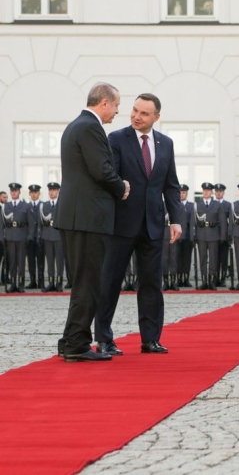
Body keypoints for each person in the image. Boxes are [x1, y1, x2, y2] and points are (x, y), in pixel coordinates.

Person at [95, 93, 182, 356]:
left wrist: (176, 219)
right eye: (134, 110)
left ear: (156, 117)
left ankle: (150, 339)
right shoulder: (117, 139)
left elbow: (171, 185)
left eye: (144, 113)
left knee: (151, 283)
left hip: (154, 225)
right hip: (121, 224)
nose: (136, 116)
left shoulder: (165, 144)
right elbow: (111, 178)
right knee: (110, 282)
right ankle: (104, 339)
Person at [56, 82, 129, 362]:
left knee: (82, 282)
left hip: (77, 216)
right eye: (117, 106)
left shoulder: (76, 125)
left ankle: (70, 340)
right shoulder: (90, 127)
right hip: (87, 218)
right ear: (104, 103)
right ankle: (77, 345)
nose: (117, 112)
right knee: (89, 282)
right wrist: (121, 186)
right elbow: (101, 169)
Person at [194, 182, 227, 290]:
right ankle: (204, 280)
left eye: (208, 190)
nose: (206, 192)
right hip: (201, 234)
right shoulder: (197, 205)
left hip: (214, 234)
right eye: (204, 190)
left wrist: (223, 236)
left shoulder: (217, 205)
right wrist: (193, 236)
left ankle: (212, 280)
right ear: (202, 191)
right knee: (202, 258)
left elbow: (222, 221)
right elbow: (193, 221)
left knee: (213, 259)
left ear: (211, 192)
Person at [3, 183, 33, 293]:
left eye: (16, 191)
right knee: (12, 262)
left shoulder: (26, 206)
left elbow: (31, 223)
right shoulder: (6, 206)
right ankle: (13, 283)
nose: (14, 192)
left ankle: (21, 284)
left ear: (19, 192)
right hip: (10, 237)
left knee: (20, 261)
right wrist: (2, 238)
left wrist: (29, 237)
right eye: (12, 191)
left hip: (21, 237)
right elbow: (2, 224)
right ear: (10, 192)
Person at [40, 182, 64, 292]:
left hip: (59, 236)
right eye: (50, 190)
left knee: (59, 261)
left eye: (54, 190)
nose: (51, 192)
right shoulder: (44, 205)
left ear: (58, 191)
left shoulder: (62, 204)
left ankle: (59, 283)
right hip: (47, 236)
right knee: (49, 261)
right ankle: (50, 282)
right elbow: (41, 222)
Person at [176, 184, 196, 287]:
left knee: (187, 259)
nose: (181, 194)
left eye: (183, 192)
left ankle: (186, 278)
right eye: (180, 192)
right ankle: (179, 278)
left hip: (187, 236)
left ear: (186, 194)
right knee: (178, 259)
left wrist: (193, 237)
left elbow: (192, 223)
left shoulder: (191, 206)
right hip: (177, 236)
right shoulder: (175, 205)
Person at [26, 184, 44, 289]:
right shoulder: (27, 206)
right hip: (30, 238)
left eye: (36, 192)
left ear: (39, 193)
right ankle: (33, 281)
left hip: (40, 237)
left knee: (40, 261)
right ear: (29, 194)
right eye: (32, 192)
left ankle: (41, 281)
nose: (34, 194)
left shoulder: (43, 205)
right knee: (31, 261)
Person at [213, 183, 232, 287]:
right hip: (214, 234)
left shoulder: (228, 205)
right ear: (215, 192)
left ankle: (223, 278)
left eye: (220, 191)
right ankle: (215, 278)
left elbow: (230, 222)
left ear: (223, 193)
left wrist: (228, 235)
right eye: (217, 191)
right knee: (214, 258)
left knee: (224, 259)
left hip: (224, 235)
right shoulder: (212, 204)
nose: (219, 193)